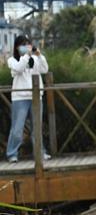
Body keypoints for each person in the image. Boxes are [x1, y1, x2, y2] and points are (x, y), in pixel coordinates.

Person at [6, 35, 50, 163]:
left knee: (37, 128)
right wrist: (26, 55)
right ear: (17, 47)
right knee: (17, 128)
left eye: (28, 44)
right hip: (20, 97)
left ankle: (40, 153)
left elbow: (44, 69)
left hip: (36, 96)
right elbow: (19, 68)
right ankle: (12, 153)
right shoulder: (12, 60)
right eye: (23, 45)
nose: (26, 47)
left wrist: (39, 55)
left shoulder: (35, 59)